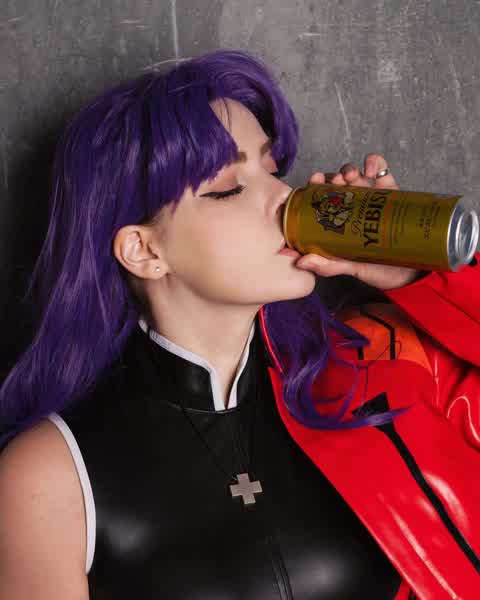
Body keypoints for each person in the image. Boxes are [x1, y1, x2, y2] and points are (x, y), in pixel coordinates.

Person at [0, 49, 479, 600]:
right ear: (144, 250)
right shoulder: (50, 474)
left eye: (273, 171)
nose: (284, 198)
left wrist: (415, 278)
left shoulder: (376, 382)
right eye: (229, 186)